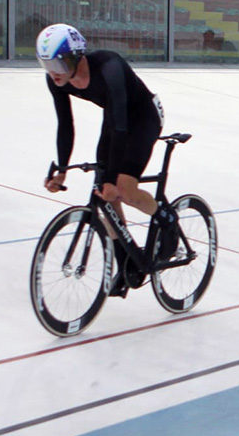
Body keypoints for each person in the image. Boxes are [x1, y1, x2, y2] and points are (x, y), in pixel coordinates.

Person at [36, 23, 174, 296]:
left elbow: (123, 124)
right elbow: (65, 124)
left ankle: (167, 219)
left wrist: (113, 179)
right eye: (45, 64)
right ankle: (124, 261)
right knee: (103, 193)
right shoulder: (57, 81)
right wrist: (62, 170)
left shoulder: (109, 67)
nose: (53, 73)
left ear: (75, 58)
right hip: (114, 119)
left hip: (142, 117)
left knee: (121, 189)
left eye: (58, 65)